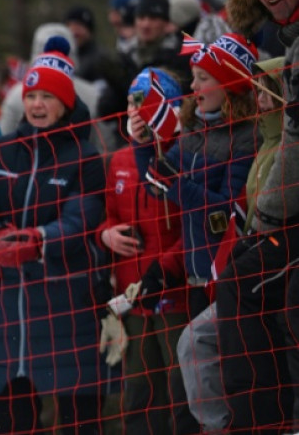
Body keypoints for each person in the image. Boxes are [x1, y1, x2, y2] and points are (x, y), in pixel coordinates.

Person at [0, 37, 107, 434]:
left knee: (80, 416)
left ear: (65, 102)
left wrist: (40, 240)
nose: (38, 105)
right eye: (32, 95)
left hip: (66, 301)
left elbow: (83, 217)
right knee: (13, 416)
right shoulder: (0, 151)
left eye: (48, 96)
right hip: (9, 306)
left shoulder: (83, 155)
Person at [129, 32, 259, 430]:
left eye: (204, 78)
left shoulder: (246, 137)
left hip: (233, 280)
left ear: (230, 84)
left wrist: (177, 183)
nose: (194, 87)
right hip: (197, 279)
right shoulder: (192, 132)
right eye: (194, 77)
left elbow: (226, 212)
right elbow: (157, 185)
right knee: (185, 388)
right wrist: (143, 147)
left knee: (228, 383)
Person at [216, 0, 299, 432]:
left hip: (287, 213)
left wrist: (265, 218)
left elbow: (294, 142)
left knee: (254, 286)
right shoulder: (286, 45)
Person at [176, 56, 284, 432]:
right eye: (257, 92)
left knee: (245, 358)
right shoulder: (265, 140)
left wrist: (178, 186)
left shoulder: (255, 141)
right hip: (213, 270)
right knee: (192, 346)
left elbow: (223, 215)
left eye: (268, 92)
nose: (262, 100)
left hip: (258, 270)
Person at [96, 68, 186, 434]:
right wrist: (107, 236)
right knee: (138, 397)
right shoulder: (118, 160)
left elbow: (194, 229)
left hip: (176, 298)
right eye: (132, 101)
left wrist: (164, 269)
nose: (135, 109)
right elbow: (106, 217)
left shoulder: (183, 153)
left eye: (144, 101)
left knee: (181, 394)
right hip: (133, 302)